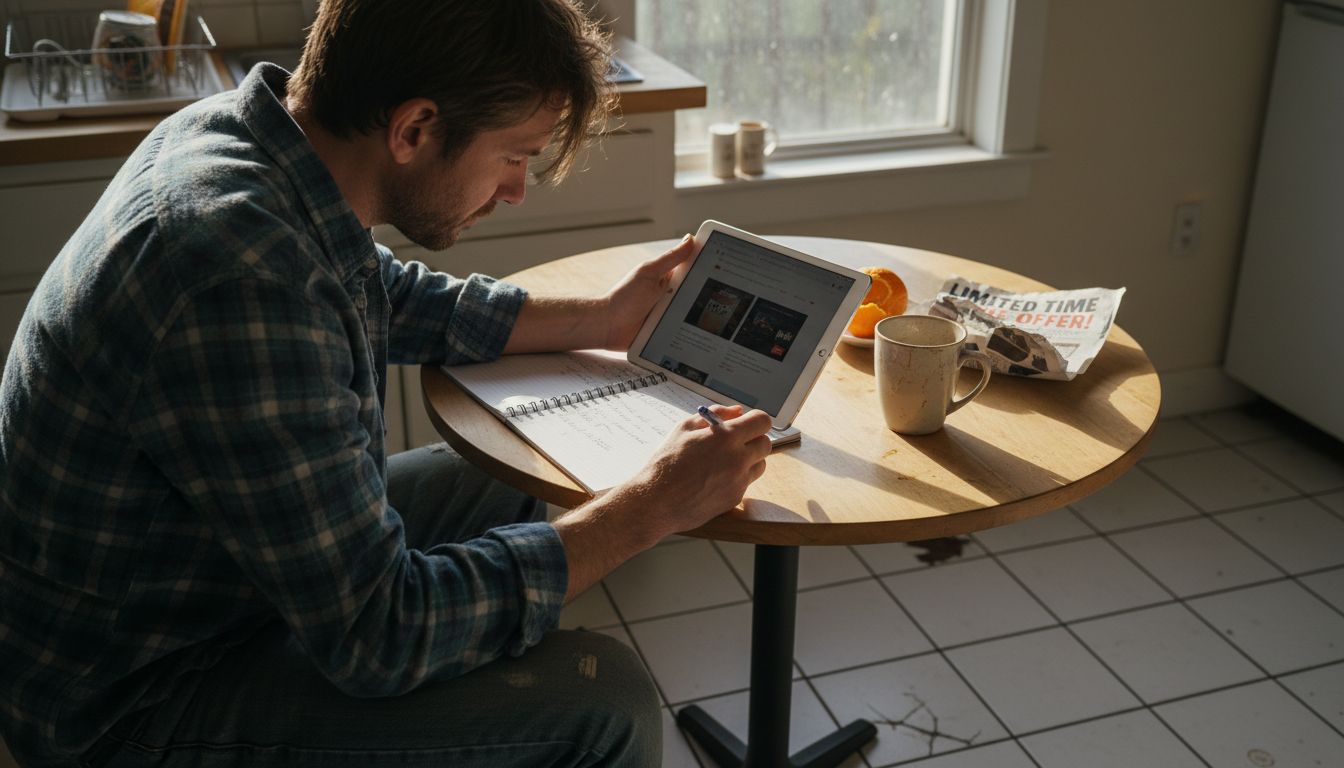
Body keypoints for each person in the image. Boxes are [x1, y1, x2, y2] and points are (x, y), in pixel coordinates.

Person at [0, 1, 774, 766]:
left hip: (202, 581)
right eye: (515, 156)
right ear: (413, 129)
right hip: (130, 700)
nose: (516, 191)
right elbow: (380, 635)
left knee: (500, 480)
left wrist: (604, 317)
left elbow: (388, 293)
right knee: (609, 702)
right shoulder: (235, 274)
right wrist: (649, 509)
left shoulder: (244, 144)